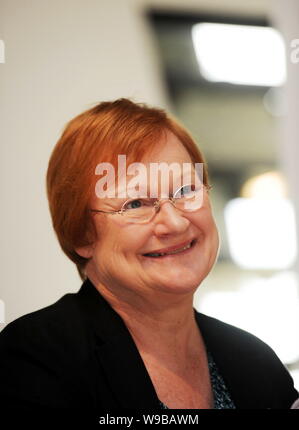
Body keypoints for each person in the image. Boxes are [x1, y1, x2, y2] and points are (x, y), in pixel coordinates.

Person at [0, 98, 298, 412]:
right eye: (136, 204)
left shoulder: (256, 361)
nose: (175, 222)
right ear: (81, 234)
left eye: (185, 191)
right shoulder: (33, 358)